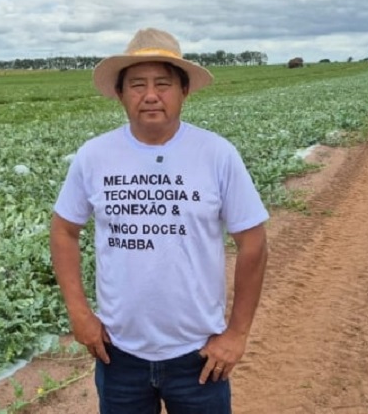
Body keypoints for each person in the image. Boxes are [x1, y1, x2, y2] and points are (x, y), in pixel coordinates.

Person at [49, 27, 269, 413]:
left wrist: (236, 334)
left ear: (184, 90)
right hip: (118, 355)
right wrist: (79, 313)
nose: (150, 95)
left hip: (199, 356)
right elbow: (64, 230)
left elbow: (253, 243)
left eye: (162, 84)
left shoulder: (217, 154)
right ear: (120, 94)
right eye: (137, 85)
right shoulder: (94, 155)